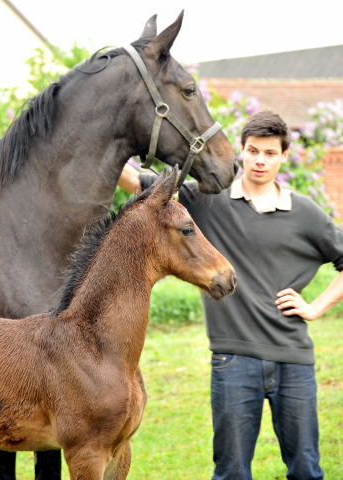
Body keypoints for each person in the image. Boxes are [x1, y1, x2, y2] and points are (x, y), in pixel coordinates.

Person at [118, 110, 343, 480]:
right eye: (253, 150)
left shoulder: (304, 212)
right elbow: (139, 183)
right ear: (241, 150)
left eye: (270, 153)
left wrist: (316, 306)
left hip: (294, 361)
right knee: (232, 472)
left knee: (306, 470)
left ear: (284, 156)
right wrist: (108, 151)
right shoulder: (208, 199)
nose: (259, 160)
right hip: (233, 362)